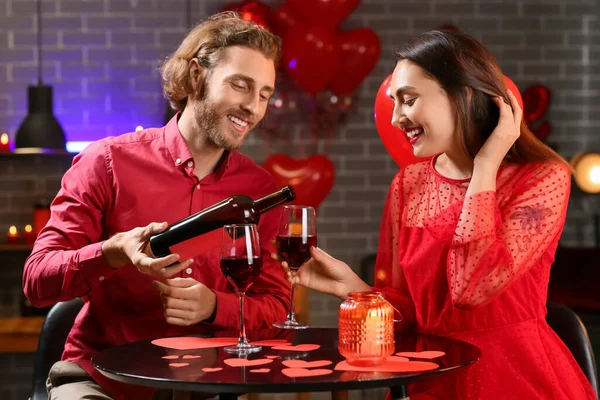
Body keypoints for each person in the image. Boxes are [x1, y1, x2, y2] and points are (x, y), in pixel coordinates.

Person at [280, 30, 597, 399]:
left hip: (515, 378)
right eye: (394, 103)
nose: (397, 118)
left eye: (408, 100)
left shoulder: (542, 177)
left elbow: (471, 286)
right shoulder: (408, 183)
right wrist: (353, 289)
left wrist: (486, 165)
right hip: (431, 379)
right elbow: (410, 318)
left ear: (462, 94)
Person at [22, 12, 290, 400]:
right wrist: (113, 252)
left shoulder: (259, 192)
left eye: (264, 94)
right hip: (102, 382)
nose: (252, 107)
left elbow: (279, 311)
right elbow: (36, 281)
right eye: (240, 85)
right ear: (197, 76)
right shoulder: (107, 162)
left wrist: (215, 306)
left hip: (207, 387)